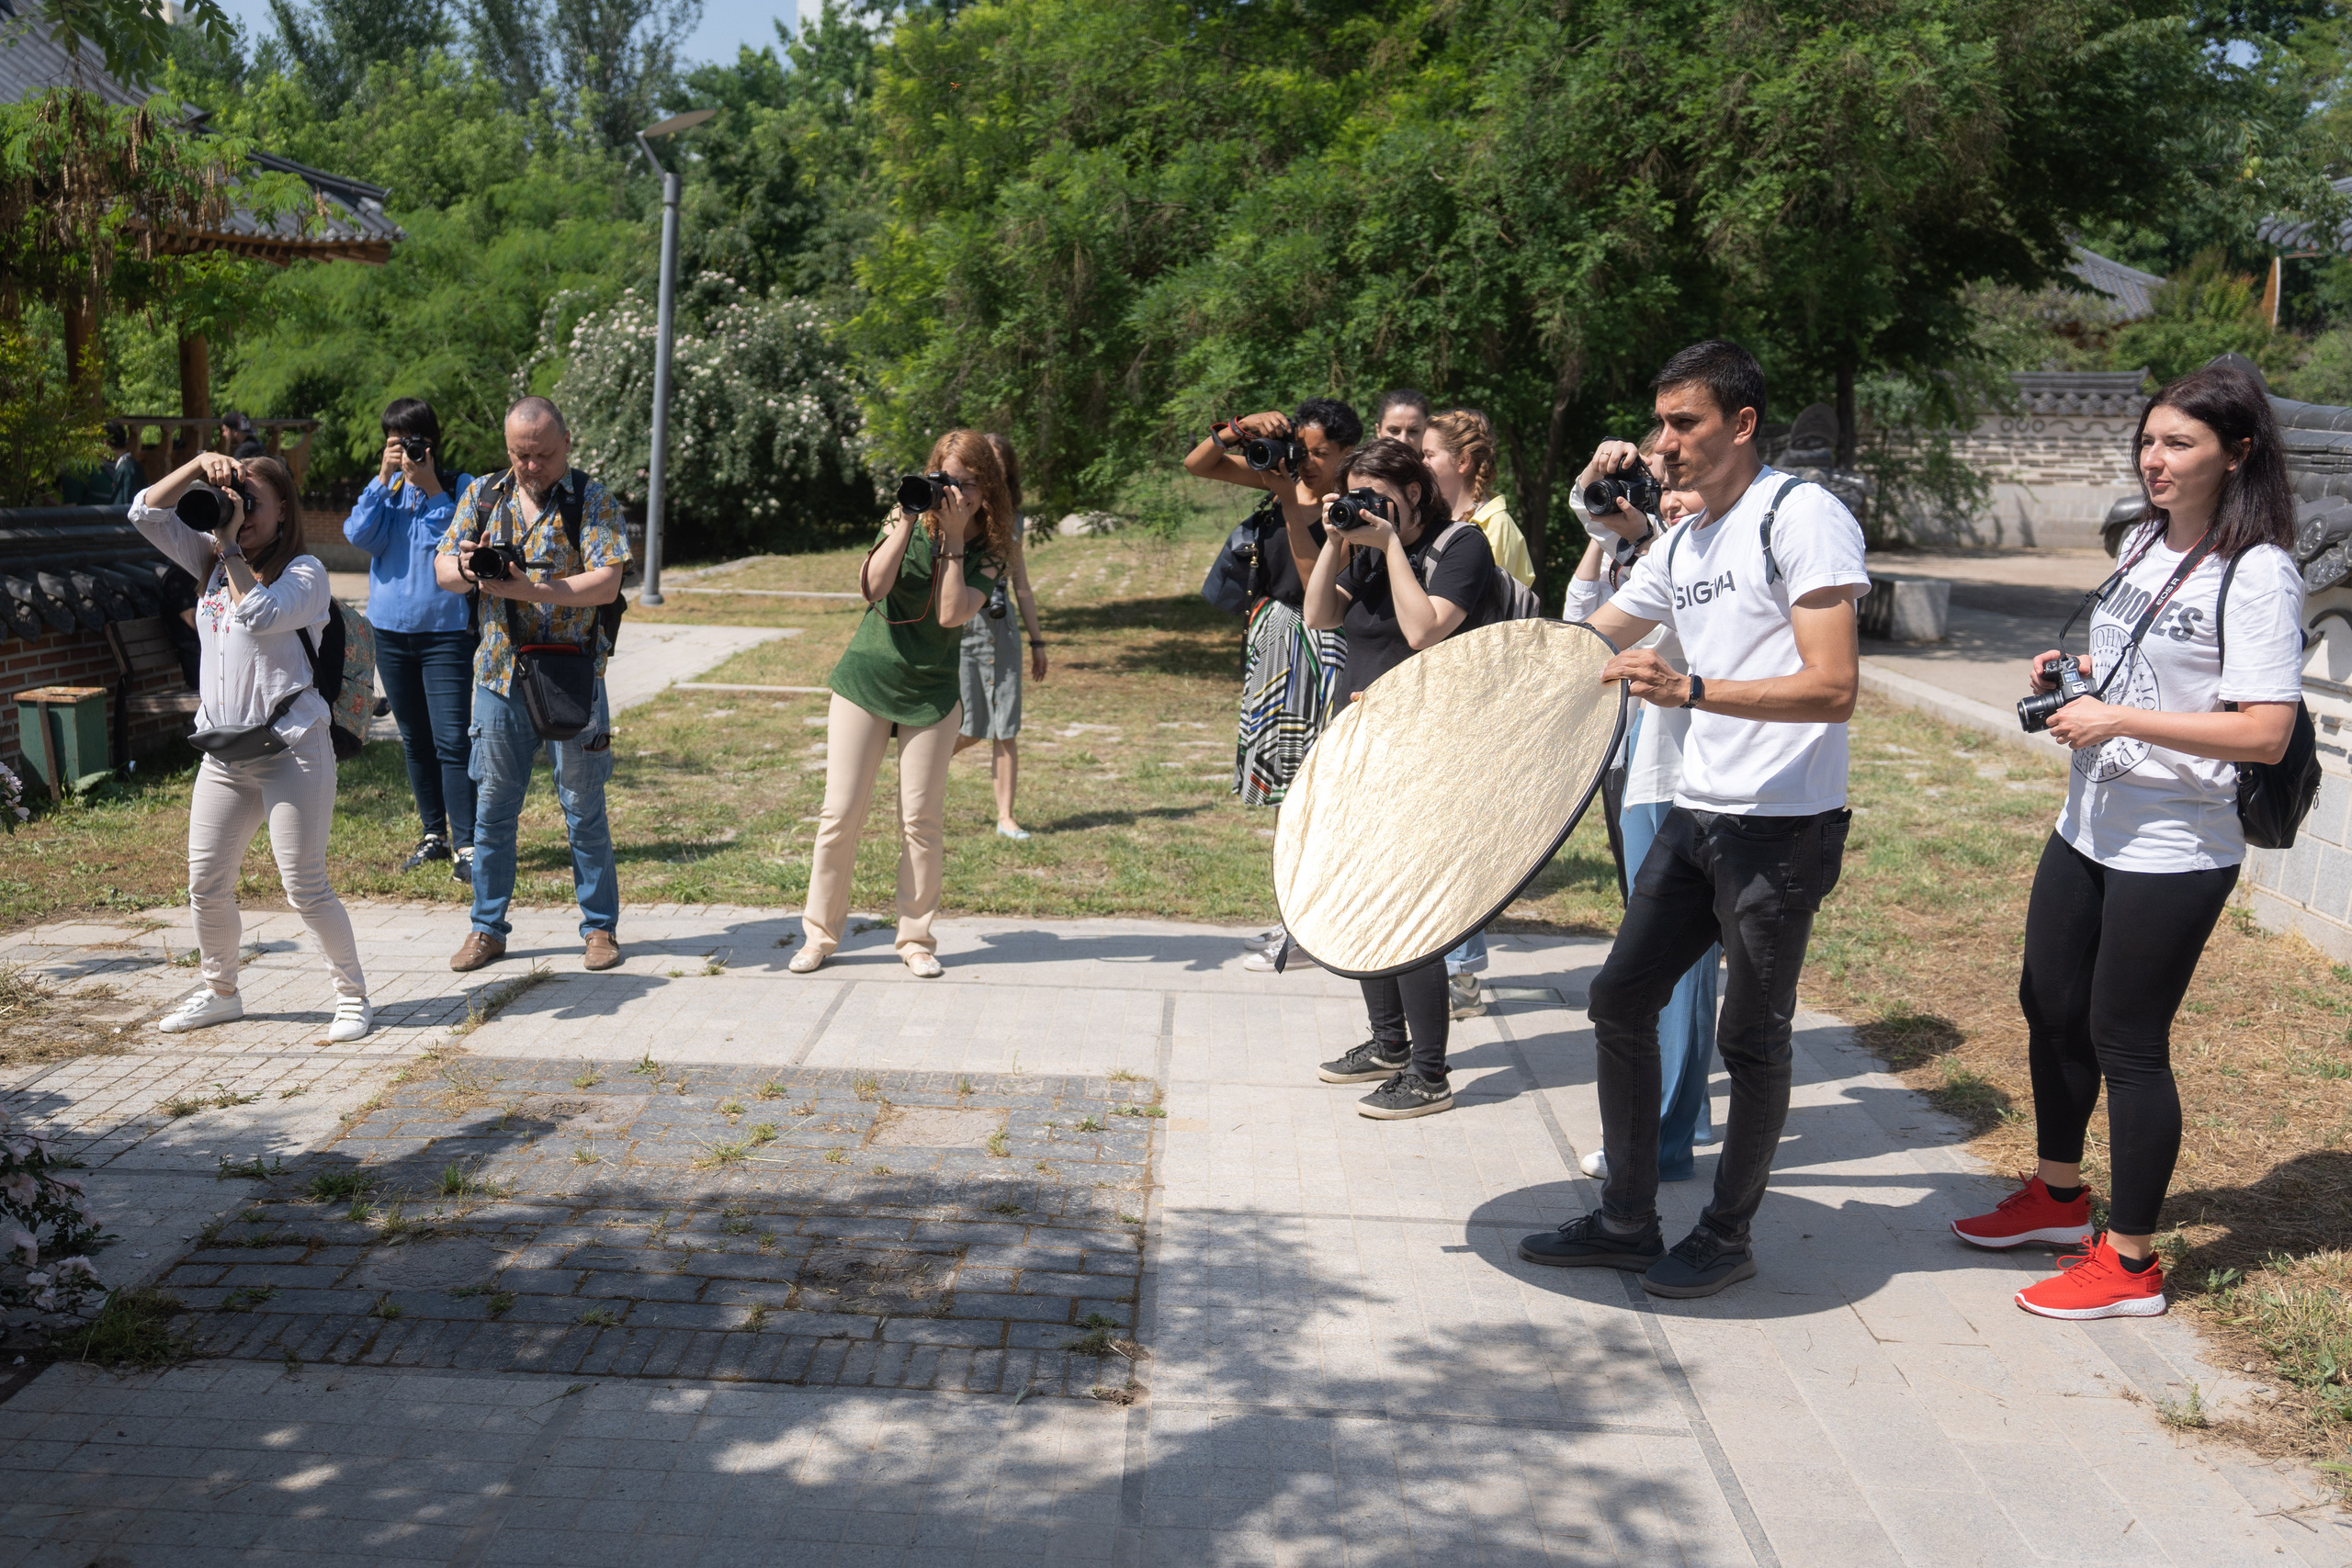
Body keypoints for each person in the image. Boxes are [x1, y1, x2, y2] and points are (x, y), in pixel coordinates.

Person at [1951, 364, 2305, 1320]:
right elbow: (2134, 670)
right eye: (2148, 441)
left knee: (2128, 1041)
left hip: (2175, 842)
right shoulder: (2145, 542)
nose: (2155, 459)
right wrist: (2075, 676)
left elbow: (2264, 730)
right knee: (2049, 1005)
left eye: (2178, 443)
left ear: (2235, 455)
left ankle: (2130, 1267)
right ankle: (2059, 1199)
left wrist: (2118, 720)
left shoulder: (2258, 571)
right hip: (2088, 824)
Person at [1517, 340, 1869, 1299]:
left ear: (1741, 424)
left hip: (1781, 827)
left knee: (1750, 1039)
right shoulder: (1680, 541)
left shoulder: (1802, 519)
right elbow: (1587, 640)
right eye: (1660, 422)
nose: (1662, 442)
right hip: (1697, 814)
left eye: (1684, 423)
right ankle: (1628, 1220)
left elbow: (1833, 686)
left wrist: (1693, 688)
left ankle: (1725, 1233)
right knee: (1619, 999)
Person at [129, 451, 372, 1043]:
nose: (239, 513)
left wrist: (230, 545)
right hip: (225, 751)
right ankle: (220, 992)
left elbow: (260, 614)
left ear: (284, 507)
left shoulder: (305, 572)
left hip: (293, 749)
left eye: (252, 502)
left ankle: (352, 998)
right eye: (233, 500)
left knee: (304, 886)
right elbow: (143, 512)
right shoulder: (212, 558)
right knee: (206, 882)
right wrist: (196, 469)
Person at [1303, 437, 1498, 1119]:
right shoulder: (1366, 548)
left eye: (1378, 494)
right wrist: (1336, 540)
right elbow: (1319, 615)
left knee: (1409, 907)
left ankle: (1430, 1072)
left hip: (1422, 753)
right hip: (1357, 746)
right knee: (1362, 896)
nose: (1367, 508)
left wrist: (1389, 547)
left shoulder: (1461, 547)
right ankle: (1389, 1045)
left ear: (1414, 490)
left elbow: (1425, 633)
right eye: (1355, 493)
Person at [793, 431, 1010, 978]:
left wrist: (956, 538)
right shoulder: (904, 516)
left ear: (986, 486)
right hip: (866, 679)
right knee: (839, 814)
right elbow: (870, 588)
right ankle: (819, 937)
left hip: (933, 692)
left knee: (922, 821)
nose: (952, 493)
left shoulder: (993, 545)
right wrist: (912, 518)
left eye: (965, 483)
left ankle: (916, 939)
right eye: (945, 480)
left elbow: (951, 614)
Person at [1562, 446, 1722, 1186]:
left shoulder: (1704, 558)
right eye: (1666, 486)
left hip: (1681, 774)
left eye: (1685, 486)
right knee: (1665, 956)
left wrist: (1658, 530)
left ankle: (1659, 1137)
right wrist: (1606, 509)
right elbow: (1581, 626)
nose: (1675, 497)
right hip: (1636, 767)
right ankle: (1679, 1119)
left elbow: (1682, 627)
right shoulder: (1651, 555)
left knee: (1676, 964)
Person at [434, 397, 630, 975]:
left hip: (572, 678)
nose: (531, 466)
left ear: (566, 443)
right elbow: (443, 570)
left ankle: (599, 929)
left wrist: (532, 591)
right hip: (498, 678)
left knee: (583, 807)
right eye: (520, 455)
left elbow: (607, 583)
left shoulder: (590, 499)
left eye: (542, 454)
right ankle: (486, 929)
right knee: (493, 810)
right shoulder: (484, 495)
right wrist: (471, 568)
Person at [1182, 398, 1361, 972]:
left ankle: (1312, 930)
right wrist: (1241, 428)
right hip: (1274, 647)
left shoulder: (1351, 503)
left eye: (1320, 455)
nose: (1305, 463)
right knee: (1286, 794)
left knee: (1314, 792)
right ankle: (1296, 917)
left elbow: (1317, 591)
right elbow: (1198, 465)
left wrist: (1290, 501)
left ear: (1347, 454)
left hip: (1320, 648)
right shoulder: (1281, 474)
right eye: (1301, 450)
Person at [1419, 407, 1535, 1017]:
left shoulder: (1497, 527)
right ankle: (1438, 960)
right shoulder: (1437, 523)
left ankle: (1461, 974)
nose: (1420, 461)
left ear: (1463, 463)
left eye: (1431, 453)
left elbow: (1511, 628)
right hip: (1436, 701)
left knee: (1460, 840)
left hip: (1478, 707)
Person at [348, 399, 477, 884]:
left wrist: (431, 489)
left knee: (452, 741)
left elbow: (463, 540)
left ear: (432, 441)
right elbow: (359, 535)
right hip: (390, 634)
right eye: (396, 442)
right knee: (415, 741)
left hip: (445, 637)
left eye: (413, 440)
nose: (407, 451)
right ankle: (433, 837)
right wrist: (383, 481)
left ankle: (467, 844)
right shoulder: (387, 491)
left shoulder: (460, 488)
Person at [954, 434, 1047, 840]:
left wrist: (1038, 641)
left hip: (1002, 626)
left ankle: (1006, 816)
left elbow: (1021, 582)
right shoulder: (960, 511)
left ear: (1007, 468)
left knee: (1005, 728)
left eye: (997, 461)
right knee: (969, 727)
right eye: (982, 462)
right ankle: (921, 768)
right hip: (963, 627)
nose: (991, 468)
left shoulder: (1016, 519)